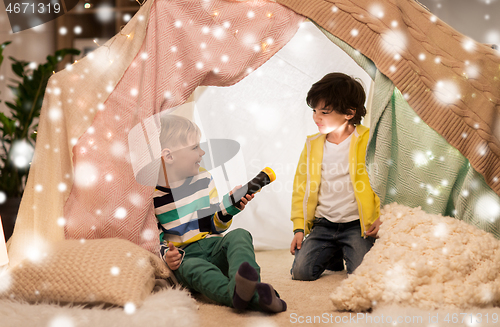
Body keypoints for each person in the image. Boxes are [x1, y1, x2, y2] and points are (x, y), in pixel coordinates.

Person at [154, 114, 286, 312]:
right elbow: (152, 237)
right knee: (191, 269)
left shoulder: (204, 178)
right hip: (186, 257)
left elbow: (214, 222)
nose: (202, 152)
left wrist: (231, 207)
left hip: (212, 244)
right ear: (169, 156)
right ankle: (254, 296)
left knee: (240, 234)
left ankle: (246, 282)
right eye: (194, 148)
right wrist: (167, 255)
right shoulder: (153, 198)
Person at [289, 73, 381, 280]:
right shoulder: (313, 144)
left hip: (357, 225)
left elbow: (381, 181)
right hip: (324, 223)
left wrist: (380, 216)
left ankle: (344, 249)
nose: (316, 117)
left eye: (324, 112)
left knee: (362, 275)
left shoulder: (367, 140)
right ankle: (333, 252)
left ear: (349, 113)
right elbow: (301, 188)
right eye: (314, 111)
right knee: (301, 272)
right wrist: (299, 228)